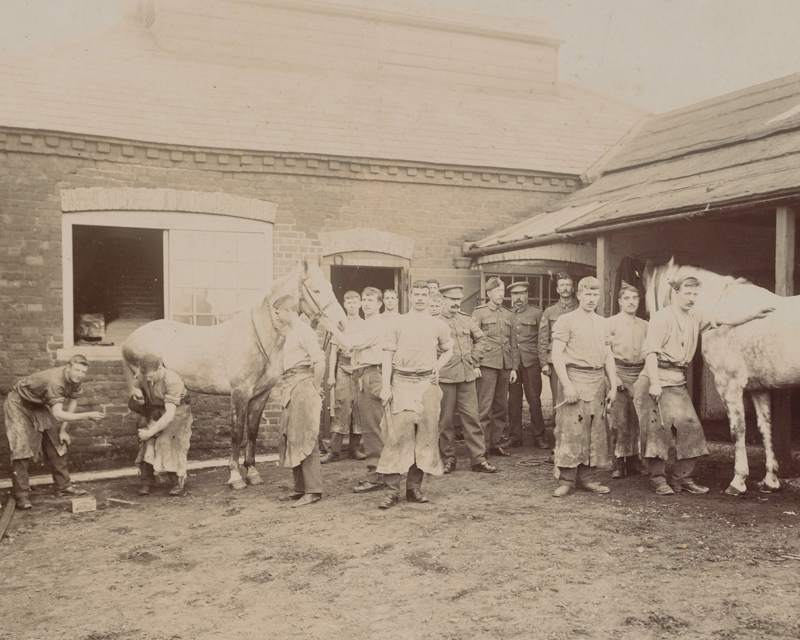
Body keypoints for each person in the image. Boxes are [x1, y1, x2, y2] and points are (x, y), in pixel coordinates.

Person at [633, 275, 774, 495]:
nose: (691, 298)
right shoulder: (662, 317)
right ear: (675, 293)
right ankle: (658, 479)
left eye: (695, 294)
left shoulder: (695, 316)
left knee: (692, 430)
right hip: (656, 379)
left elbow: (724, 318)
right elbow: (650, 351)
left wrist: (752, 315)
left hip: (677, 381)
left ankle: (682, 478)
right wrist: (654, 383)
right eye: (687, 294)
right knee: (657, 431)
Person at [377, 281, 454, 508]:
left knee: (425, 436)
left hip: (425, 385)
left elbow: (449, 349)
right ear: (409, 296)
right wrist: (385, 386)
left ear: (430, 298)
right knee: (396, 436)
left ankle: (414, 488)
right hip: (401, 382)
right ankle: (391, 491)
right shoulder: (398, 322)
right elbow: (386, 356)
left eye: (424, 294)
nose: (420, 298)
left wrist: (436, 369)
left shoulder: (437, 324)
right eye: (416, 294)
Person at [3, 355, 105, 509]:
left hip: (38, 404)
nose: (80, 374)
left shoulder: (76, 379)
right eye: (77, 370)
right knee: (21, 446)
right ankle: (21, 495)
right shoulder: (55, 382)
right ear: (67, 367)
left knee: (56, 440)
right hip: (19, 404)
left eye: (83, 371)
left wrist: (64, 429)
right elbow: (58, 414)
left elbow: (73, 400)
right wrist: (88, 415)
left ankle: (63, 487)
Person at [550, 276, 617, 497]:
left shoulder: (603, 323)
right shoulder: (566, 320)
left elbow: (608, 356)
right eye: (587, 294)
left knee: (595, 431)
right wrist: (567, 386)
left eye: (595, 294)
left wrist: (613, 385)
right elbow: (556, 354)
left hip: (598, 381)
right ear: (578, 295)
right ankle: (567, 480)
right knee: (570, 430)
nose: (591, 299)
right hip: (574, 379)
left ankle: (587, 478)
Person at [437, 284, 497, 474]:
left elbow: (482, 340)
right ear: (443, 300)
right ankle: (448, 459)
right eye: (452, 300)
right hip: (445, 377)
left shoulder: (466, 320)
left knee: (472, 418)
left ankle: (478, 459)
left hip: (466, 377)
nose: (456, 303)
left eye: (458, 300)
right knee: (445, 421)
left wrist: (474, 357)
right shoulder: (435, 321)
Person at [274, 295, 326, 507]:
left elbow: (320, 361)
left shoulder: (304, 330)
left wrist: (314, 387)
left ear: (288, 310)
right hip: (291, 385)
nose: (277, 316)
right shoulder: (291, 332)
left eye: (279, 312)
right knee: (292, 436)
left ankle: (313, 490)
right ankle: (300, 487)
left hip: (303, 385)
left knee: (305, 436)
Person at [350, 287, 392, 494]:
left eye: (371, 300)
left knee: (373, 429)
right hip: (363, 375)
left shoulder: (377, 325)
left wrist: (330, 326)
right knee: (372, 427)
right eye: (364, 299)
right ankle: (382, 472)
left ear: (379, 304)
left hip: (373, 375)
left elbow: (351, 343)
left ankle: (377, 476)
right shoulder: (366, 324)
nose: (366, 303)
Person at [131, 355, 193, 497]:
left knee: (166, 439)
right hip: (157, 408)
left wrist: (151, 432)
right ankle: (146, 480)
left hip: (178, 411)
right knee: (146, 438)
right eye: (146, 377)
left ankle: (177, 480)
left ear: (159, 368)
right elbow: (136, 385)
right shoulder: (143, 373)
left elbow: (170, 415)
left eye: (151, 376)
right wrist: (138, 393)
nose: (148, 380)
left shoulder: (172, 381)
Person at [472, 277, 518, 458]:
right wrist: (475, 363)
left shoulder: (508, 314)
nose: (501, 294)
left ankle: (495, 443)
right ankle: (481, 447)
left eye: (502, 291)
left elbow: (513, 342)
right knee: (484, 407)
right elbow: (472, 339)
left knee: (501, 407)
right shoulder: (480, 313)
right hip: (486, 364)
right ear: (488, 293)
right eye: (497, 291)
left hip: (505, 365)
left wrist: (514, 367)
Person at [606, 282, 648, 479]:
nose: (631, 302)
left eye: (634, 298)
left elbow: (650, 354)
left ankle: (634, 460)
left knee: (637, 420)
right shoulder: (610, 323)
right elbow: (605, 353)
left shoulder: (645, 325)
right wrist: (614, 377)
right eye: (627, 299)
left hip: (639, 373)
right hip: (618, 372)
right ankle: (618, 463)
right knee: (618, 420)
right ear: (620, 302)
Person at [321, 291, 365, 464]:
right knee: (341, 406)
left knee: (358, 407)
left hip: (359, 368)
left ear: (360, 304)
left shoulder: (365, 324)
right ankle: (333, 451)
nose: (352, 305)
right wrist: (331, 375)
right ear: (344, 305)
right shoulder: (339, 325)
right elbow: (333, 352)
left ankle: (355, 449)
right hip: (342, 368)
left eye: (355, 302)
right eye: (349, 302)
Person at [508, 281, 547, 449]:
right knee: (513, 402)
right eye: (515, 294)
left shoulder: (537, 313)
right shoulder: (508, 314)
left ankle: (539, 436)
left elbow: (542, 339)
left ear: (527, 295)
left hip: (531, 363)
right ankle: (515, 436)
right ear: (511, 296)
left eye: (522, 293)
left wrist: (542, 362)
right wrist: (512, 366)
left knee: (534, 401)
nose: (519, 297)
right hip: (513, 365)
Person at [539, 272, 578, 410]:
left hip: (576, 359)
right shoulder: (550, 311)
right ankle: (557, 429)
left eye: (568, 285)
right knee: (558, 398)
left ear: (573, 289)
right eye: (562, 285)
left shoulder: (580, 309)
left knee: (576, 396)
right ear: (557, 289)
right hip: (555, 360)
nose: (565, 288)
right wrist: (544, 363)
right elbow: (543, 338)